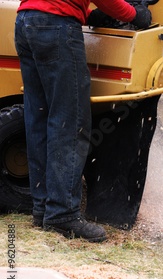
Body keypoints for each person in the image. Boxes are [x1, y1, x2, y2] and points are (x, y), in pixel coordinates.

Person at [14, 0, 151, 242]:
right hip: (56, 27)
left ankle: (43, 208)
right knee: (69, 119)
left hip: (26, 20)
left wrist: (87, 15)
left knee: (39, 117)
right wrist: (134, 14)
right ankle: (62, 213)